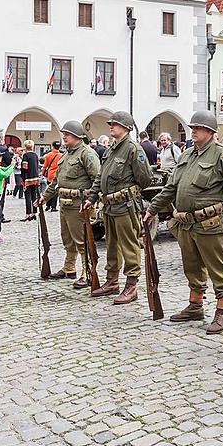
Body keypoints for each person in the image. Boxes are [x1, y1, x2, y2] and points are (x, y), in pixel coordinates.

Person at [145, 111, 223, 334]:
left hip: (211, 223)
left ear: (210, 132)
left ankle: (222, 312)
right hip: (186, 224)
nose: (194, 131)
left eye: (198, 128)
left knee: (218, 268)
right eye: (193, 128)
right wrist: (152, 209)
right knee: (192, 266)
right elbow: (171, 187)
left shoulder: (222, 154)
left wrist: (222, 205)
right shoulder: (187, 154)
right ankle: (195, 305)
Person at [83, 111, 152, 303]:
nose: (111, 126)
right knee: (111, 244)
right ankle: (112, 281)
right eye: (111, 123)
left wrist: (130, 191)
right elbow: (100, 176)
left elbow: (145, 178)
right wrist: (92, 196)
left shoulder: (133, 149)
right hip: (109, 206)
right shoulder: (111, 149)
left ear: (126, 127)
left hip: (125, 205)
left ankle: (131, 285)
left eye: (115, 124)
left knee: (129, 245)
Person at [37, 121, 101, 286]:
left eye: (67, 134)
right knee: (68, 239)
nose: (64, 137)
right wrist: (45, 196)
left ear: (77, 136)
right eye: (64, 133)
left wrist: (91, 200)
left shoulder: (87, 154)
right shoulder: (66, 155)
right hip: (64, 202)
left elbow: (97, 180)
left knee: (81, 240)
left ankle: (87, 272)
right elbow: (56, 181)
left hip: (79, 204)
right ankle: (69, 268)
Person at [20, 140, 40, 221]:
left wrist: (23, 178)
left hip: (28, 178)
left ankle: (28, 214)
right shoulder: (35, 155)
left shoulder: (26, 155)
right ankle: (34, 213)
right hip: (35, 178)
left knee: (27, 196)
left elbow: (25, 167)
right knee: (34, 196)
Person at [40, 142, 62, 212]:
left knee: (49, 189)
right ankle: (53, 207)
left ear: (52, 147)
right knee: (55, 191)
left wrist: (43, 173)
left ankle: (47, 205)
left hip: (50, 174)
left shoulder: (48, 155)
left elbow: (45, 166)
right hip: (58, 175)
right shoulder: (61, 155)